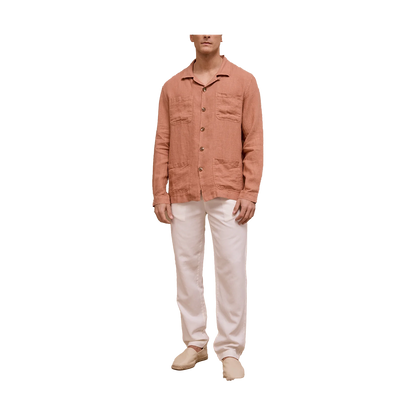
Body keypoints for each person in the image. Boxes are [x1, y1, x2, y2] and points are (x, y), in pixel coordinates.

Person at [149, 32, 266, 384]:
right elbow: (161, 142)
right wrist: (158, 194)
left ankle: (230, 350)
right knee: (185, 267)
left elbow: (255, 139)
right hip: (181, 189)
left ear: (223, 34)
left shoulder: (246, 80)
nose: (206, 34)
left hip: (229, 189)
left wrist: (251, 191)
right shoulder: (170, 86)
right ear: (189, 36)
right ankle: (195, 342)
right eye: (198, 28)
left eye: (213, 27)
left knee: (231, 268)